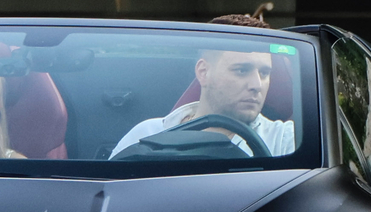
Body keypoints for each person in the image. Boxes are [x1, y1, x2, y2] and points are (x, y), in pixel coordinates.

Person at [110, 39, 294, 157]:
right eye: (242, 70)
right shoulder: (147, 134)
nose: (257, 85)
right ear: (203, 72)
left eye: (264, 73)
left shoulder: (286, 140)